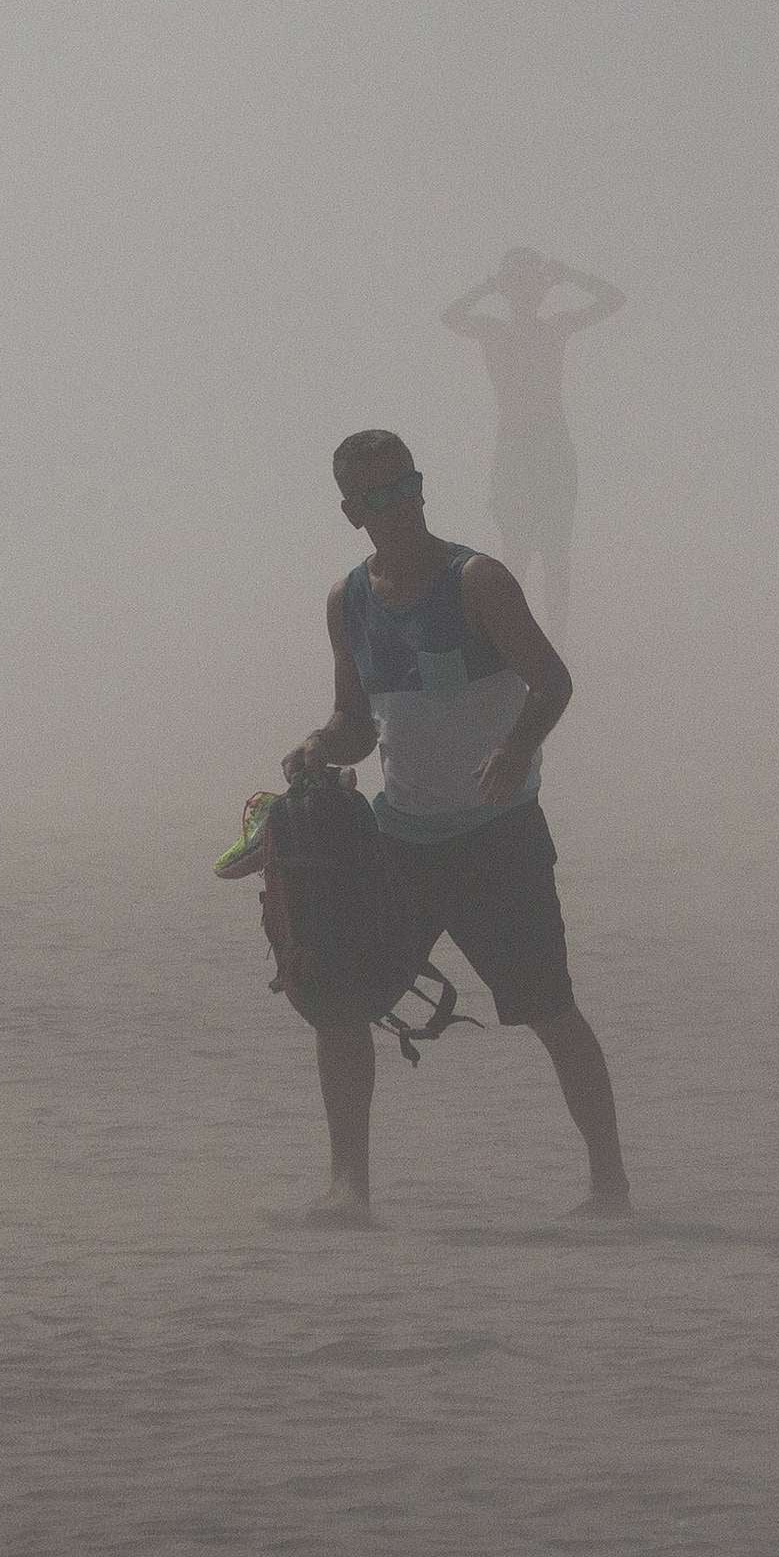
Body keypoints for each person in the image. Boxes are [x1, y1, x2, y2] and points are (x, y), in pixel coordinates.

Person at [284, 429, 630, 1222]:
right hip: (400, 839)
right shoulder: (351, 601)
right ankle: (349, 1187)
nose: (396, 506)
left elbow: (554, 680)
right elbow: (354, 721)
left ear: (421, 487)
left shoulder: (478, 581)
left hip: (497, 837)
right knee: (338, 1002)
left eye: (404, 486)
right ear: (351, 512)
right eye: (375, 497)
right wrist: (316, 745)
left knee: (548, 1006)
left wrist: (515, 750)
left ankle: (609, 1184)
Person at [440, 249, 626, 630]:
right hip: (516, 448)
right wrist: (491, 285)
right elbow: (450, 317)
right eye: (517, 282)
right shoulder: (496, 330)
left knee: (556, 552)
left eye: (532, 282)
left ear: (542, 287)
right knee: (518, 552)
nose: (526, 290)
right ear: (507, 287)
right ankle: (512, 639)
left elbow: (614, 299)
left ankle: (556, 641)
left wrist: (567, 272)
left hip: (550, 445)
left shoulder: (551, 327)